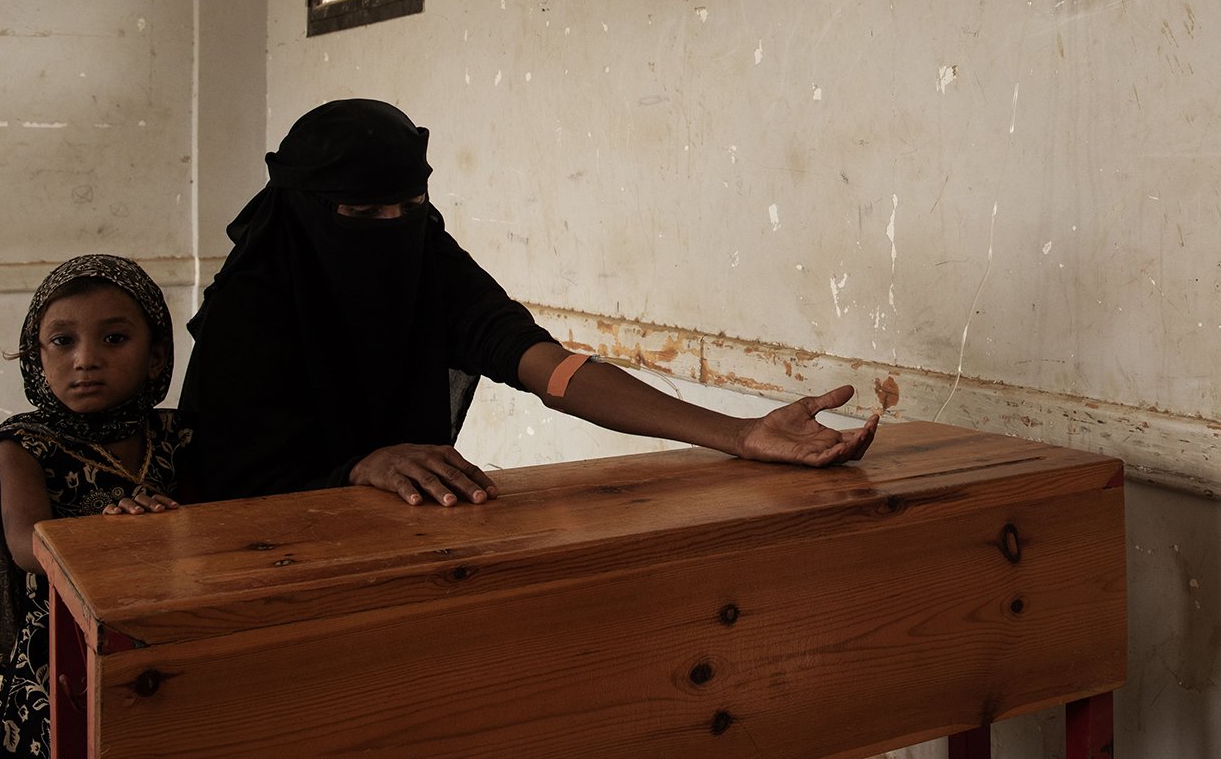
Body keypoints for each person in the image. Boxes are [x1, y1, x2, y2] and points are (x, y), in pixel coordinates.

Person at [179, 98, 876, 505]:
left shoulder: (426, 260)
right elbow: (233, 478)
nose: (394, 228)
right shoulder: (253, 304)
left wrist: (735, 434)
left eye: (411, 205)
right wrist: (355, 467)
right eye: (364, 212)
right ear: (308, 212)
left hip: (399, 549)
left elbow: (550, 369)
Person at [0, 255, 191, 759]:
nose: (85, 359)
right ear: (36, 356)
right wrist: (114, 532)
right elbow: (27, 546)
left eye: (114, 339)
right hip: (63, 643)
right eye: (62, 341)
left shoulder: (177, 433)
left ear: (156, 357)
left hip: (168, 626)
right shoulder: (23, 444)